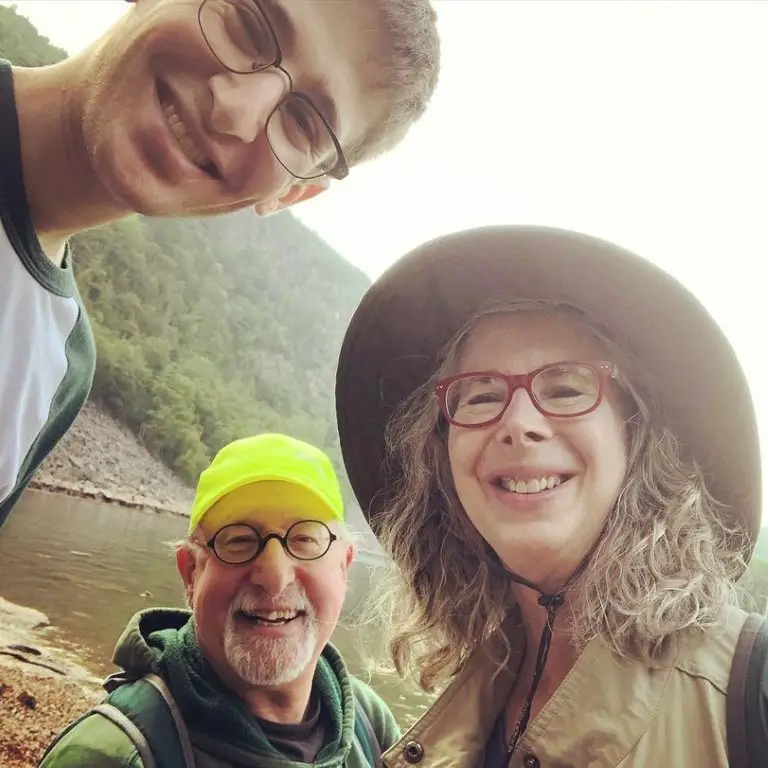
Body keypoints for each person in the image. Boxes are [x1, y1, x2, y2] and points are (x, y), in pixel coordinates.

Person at [335, 225, 768, 766]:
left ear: (636, 438)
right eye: (480, 396)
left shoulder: (751, 689)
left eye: (565, 388)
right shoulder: (476, 696)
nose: (518, 424)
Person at [0, 0, 440, 527]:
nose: (236, 110)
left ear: (294, 193)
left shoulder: (58, 370)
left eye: (304, 123)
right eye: (249, 27)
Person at [39, 432, 399, 767]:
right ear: (191, 572)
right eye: (238, 540)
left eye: (305, 539)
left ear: (344, 566)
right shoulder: (109, 754)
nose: (274, 577)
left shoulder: (371, 726)